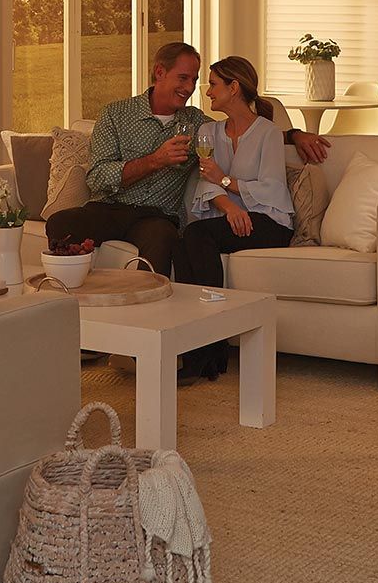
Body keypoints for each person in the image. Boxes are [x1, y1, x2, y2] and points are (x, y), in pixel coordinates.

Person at [47, 42, 328, 282]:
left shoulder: (195, 123)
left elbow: (245, 129)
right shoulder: (116, 114)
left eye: (195, 80)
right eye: (183, 78)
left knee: (166, 238)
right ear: (160, 72)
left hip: (156, 217)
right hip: (109, 208)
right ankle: (69, 301)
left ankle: (148, 317)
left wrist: (295, 135)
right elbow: (97, 177)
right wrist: (155, 160)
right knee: (60, 224)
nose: (191, 88)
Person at [173, 56, 294, 380]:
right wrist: (231, 208)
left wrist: (225, 180)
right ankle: (198, 351)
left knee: (197, 235)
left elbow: (272, 188)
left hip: (270, 223)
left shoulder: (268, 133)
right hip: (233, 219)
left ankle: (210, 349)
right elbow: (204, 182)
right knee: (181, 242)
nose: (207, 91)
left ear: (234, 87)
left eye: (213, 84)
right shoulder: (208, 132)